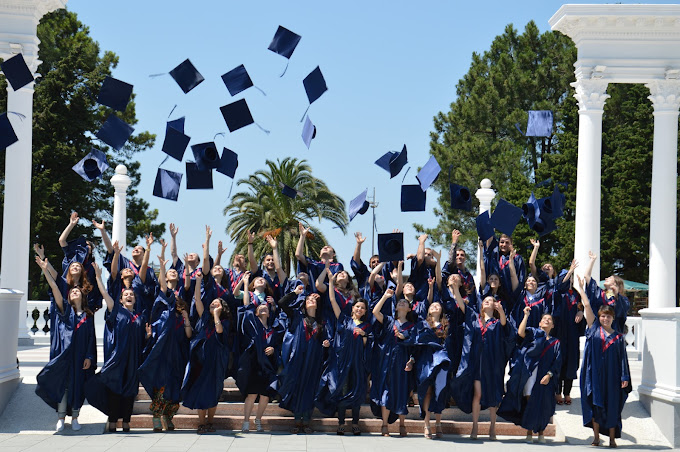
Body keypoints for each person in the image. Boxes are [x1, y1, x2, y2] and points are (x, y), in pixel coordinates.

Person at [34, 256, 96, 432]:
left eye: (77, 291)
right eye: (72, 292)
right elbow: (55, 287)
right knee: (64, 385)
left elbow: (91, 338)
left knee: (78, 386)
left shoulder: (88, 316)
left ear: (83, 295)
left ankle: (75, 416)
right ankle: (61, 418)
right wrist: (46, 270)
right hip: (65, 354)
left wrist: (89, 357)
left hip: (80, 356)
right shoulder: (64, 310)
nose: (74, 292)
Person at [85, 262, 148, 433]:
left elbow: (142, 339)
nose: (129, 296)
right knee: (114, 387)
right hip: (117, 357)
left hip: (133, 358)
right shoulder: (117, 311)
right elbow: (105, 294)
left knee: (130, 390)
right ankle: (113, 420)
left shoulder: (139, 317)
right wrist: (98, 277)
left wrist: (148, 335)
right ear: (121, 299)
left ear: (134, 299)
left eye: (131, 295)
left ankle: (126, 421)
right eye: (125, 294)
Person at [137, 252, 192, 432]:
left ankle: (168, 416)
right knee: (160, 383)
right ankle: (156, 416)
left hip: (177, 352)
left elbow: (189, 335)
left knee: (175, 384)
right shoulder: (164, 305)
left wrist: (185, 318)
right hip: (162, 350)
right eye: (169, 272)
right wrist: (162, 267)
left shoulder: (181, 313)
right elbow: (163, 286)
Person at [575, 274, 632, 448]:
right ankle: (597, 438)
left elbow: (623, 359)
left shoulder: (618, 337)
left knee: (612, 405)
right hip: (594, 373)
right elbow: (586, 305)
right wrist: (581, 289)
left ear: (613, 319)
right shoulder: (593, 329)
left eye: (608, 317)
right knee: (596, 403)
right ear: (599, 318)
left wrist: (624, 377)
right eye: (602, 316)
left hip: (613, 374)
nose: (605, 319)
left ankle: (613, 439)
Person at [451, 295, 513, 440]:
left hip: (493, 363)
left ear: (494, 305)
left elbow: (506, 327)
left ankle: (492, 426)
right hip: (477, 363)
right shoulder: (475, 320)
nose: (487, 301)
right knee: (477, 394)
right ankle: (475, 426)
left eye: (491, 300)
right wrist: (455, 289)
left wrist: (502, 311)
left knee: (493, 395)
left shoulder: (497, 323)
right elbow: (463, 307)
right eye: (485, 300)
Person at [316, 274, 371, 436]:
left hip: (357, 364)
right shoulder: (343, 319)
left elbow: (368, 345)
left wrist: (364, 335)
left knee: (356, 393)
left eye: (362, 307)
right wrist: (331, 282)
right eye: (357, 306)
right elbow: (333, 300)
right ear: (352, 308)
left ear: (365, 311)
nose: (359, 309)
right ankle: (341, 423)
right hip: (342, 362)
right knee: (342, 390)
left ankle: (355, 423)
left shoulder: (367, 326)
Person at [498, 307, 562, 443]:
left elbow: (557, 362)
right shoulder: (533, 333)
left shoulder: (555, 342)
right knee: (529, 402)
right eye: (544, 319)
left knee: (543, 404)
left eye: (549, 319)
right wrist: (526, 315)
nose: (546, 320)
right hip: (530, 374)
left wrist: (549, 375)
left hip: (545, 376)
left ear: (553, 325)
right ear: (539, 323)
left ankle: (541, 433)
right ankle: (529, 432)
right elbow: (520, 333)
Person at [181, 269, 232, 434]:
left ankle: (210, 422)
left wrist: (217, 315)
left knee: (214, 391)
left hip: (216, 360)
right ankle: (202, 423)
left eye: (217, 303)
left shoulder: (225, 322)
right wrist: (197, 282)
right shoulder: (203, 317)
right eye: (212, 303)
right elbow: (197, 300)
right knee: (200, 390)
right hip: (200, 360)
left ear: (222, 308)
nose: (213, 304)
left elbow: (219, 332)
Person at [277, 287, 329, 434]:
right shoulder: (297, 316)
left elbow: (326, 339)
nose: (311, 301)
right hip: (298, 359)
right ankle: (297, 421)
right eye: (308, 300)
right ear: (304, 304)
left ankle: (306, 422)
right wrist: (295, 293)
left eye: (313, 300)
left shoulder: (322, 323)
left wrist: (327, 342)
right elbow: (282, 303)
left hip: (313, 360)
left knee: (309, 389)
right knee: (297, 387)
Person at [237, 272, 284, 433]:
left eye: (266, 307)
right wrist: (245, 283)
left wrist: (274, 349)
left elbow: (278, 344)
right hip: (254, 363)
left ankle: (258, 420)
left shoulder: (273, 329)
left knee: (265, 395)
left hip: (268, 365)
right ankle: (245, 421)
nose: (263, 307)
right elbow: (246, 306)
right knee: (251, 394)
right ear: (256, 312)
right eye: (260, 307)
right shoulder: (252, 322)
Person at [370, 288, 416, 437]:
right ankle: (384, 425)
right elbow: (375, 312)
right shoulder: (390, 320)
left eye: (405, 302)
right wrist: (385, 296)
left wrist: (411, 359)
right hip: (388, 361)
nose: (402, 303)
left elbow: (415, 346)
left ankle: (402, 424)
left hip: (403, 361)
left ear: (409, 309)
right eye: (400, 302)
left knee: (402, 391)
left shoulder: (412, 326)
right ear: (396, 307)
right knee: (386, 390)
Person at [413, 299, 451, 439]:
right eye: (432, 305)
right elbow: (416, 343)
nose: (435, 306)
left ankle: (438, 423)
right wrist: (412, 359)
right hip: (425, 359)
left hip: (441, 358)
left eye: (438, 305)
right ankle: (427, 424)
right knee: (427, 391)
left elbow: (450, 343)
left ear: (441, 310)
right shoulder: (422, 324)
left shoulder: (446, 325)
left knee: (440, 390)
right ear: (428, 310)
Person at [551, 260, 584, 406]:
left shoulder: (577, 295)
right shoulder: (558, 293)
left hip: (572, 334)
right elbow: (560, 286)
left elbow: (584, 307)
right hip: (559, 333)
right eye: (565, 276)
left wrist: (581, 311)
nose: (568, 279)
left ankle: (568, 393)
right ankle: (557, 392)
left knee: (571, 363)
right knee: (559, 362)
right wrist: (569, 270)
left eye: (570, 277)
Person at [583, 251, 630, 334]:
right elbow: (587, 276)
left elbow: (618, 311)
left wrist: (614, 293)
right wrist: (592, 260)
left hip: (614, 333)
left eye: (609, 278)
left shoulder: (623, 300)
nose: (606, 278)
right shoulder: (599, 293)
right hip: (597, 331)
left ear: (616, 283)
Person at [442, 229, 477, 305]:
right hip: (455, 305)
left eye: (462, 255)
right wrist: (454, 242)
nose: (459, 257)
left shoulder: (469, 275)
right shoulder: (453, 270)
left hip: (469, 307)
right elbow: (451, 260)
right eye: (457, 255)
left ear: (465, 258)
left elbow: (474, 294)